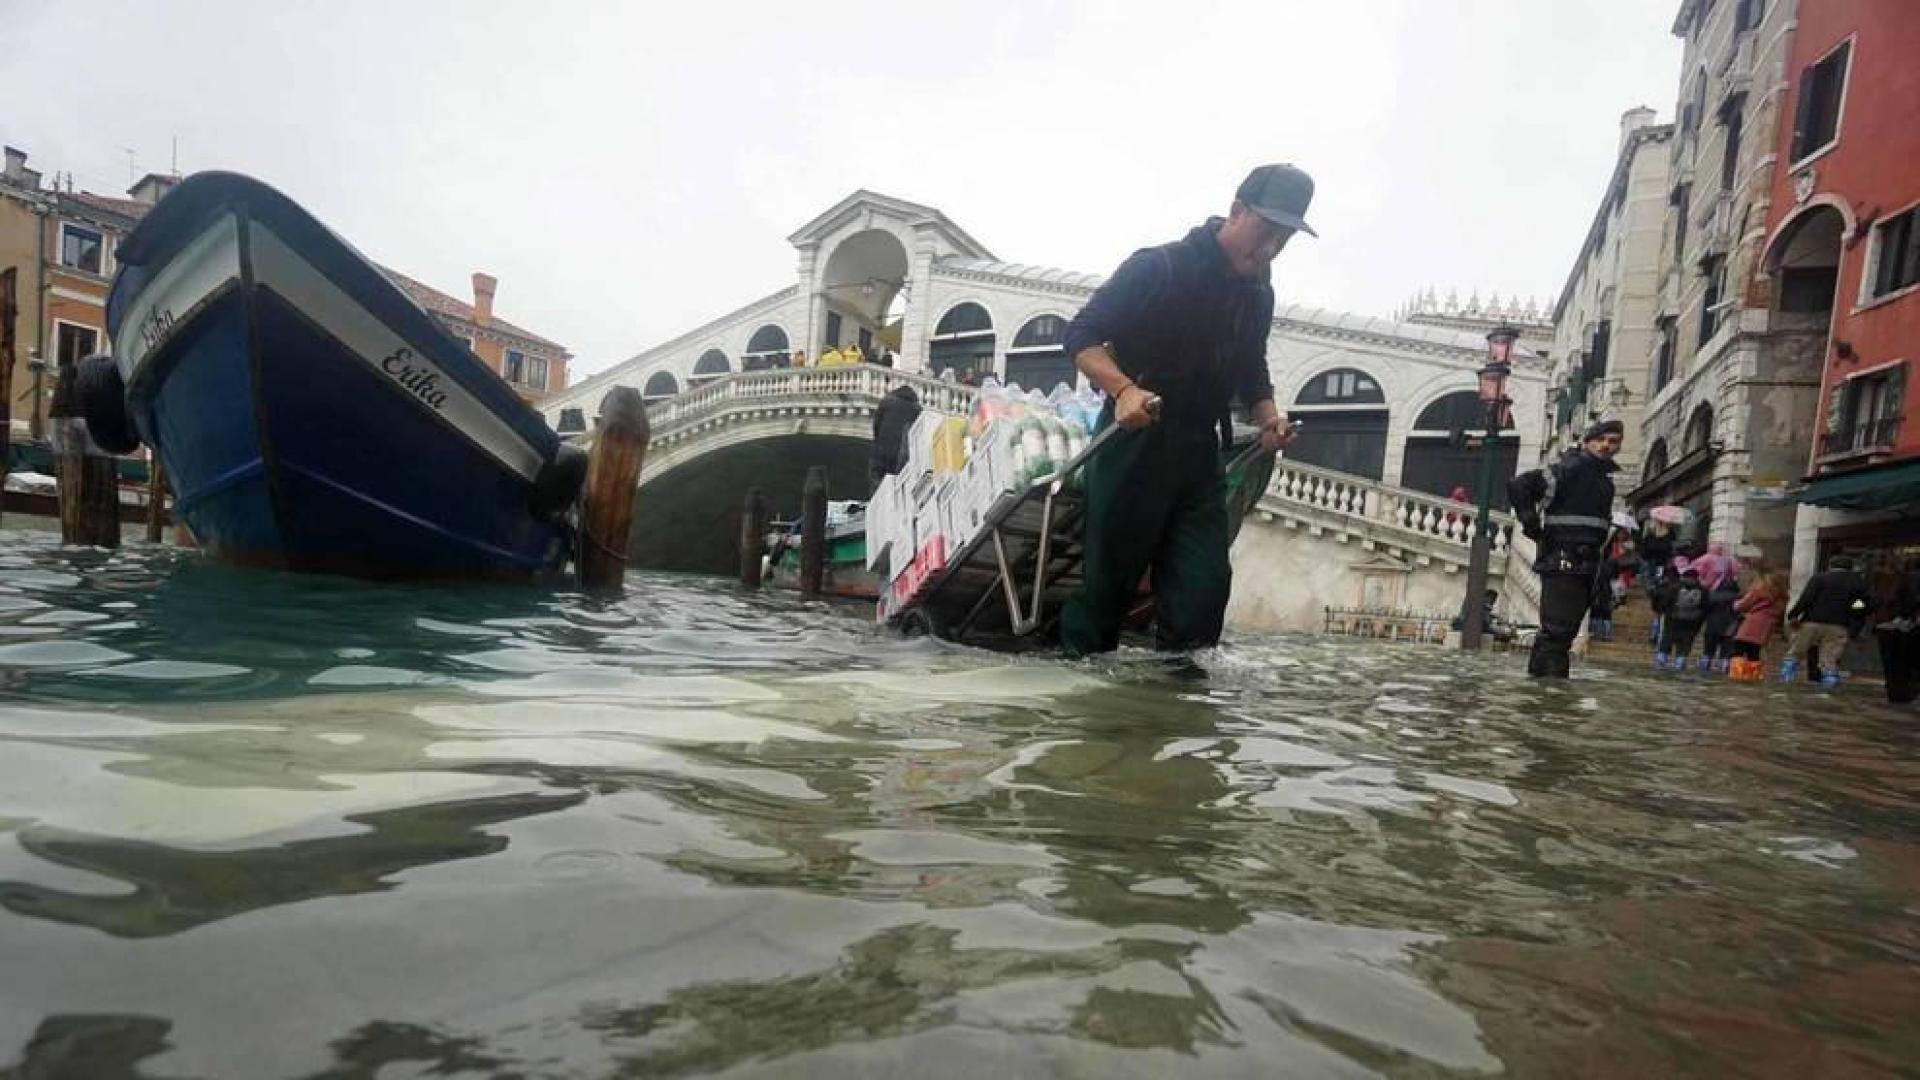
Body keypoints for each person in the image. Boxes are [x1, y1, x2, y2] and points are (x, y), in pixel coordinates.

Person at [1057, 163, 1310, 655]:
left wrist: (1268, 419)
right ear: (1237, 211)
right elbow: (1080, 336)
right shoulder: (1160, 267)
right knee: (1106, 592)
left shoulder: (1259, 293)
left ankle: (1178, 716)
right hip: (1133, 441)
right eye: (1267, 229)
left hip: (1200, 455)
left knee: (1203, 594)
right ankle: (1078, 708)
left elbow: (1251, 368)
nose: (1273, 246)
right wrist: (1123, 389)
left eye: (1286, 237)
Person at [1509, 419, 1623, 677]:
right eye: (1600, 439)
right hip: (1565, 562)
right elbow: (1519, 485)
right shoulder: (1572, 468)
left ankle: (1540, 693)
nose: (1606, 445)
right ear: (1587, 441)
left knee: (1557, 635)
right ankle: (1550, 699)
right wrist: (1531, 525)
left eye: (1613, 441)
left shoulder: (1602, 480)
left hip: (1582, 566)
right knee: (1558, 635)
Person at [1785, 555, 1871, 685]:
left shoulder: (1819, 578)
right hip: (1838, 625)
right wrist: (1854, 627)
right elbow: (1860, 606)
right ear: (1850, 568)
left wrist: (1793, 615)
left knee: (1797, 651)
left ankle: (1786, 679)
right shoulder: (1858, 582)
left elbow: (1807, 598)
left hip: (1812, 622)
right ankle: (1828, 685)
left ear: (1830, 566)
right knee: (1830, 658)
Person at [1875, 559, 1920, 704]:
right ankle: (1908, 692)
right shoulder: (1905, 580)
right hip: (1907, 625)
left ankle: (1896, 694)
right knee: (1910, 662)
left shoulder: (1899, 579)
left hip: (1890, 624)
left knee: (1892, 662)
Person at [1653, 567, 1708, 670]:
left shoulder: (1675, 587)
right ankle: (1680, 664)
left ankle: (1661, 663)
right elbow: (1705, 608)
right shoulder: (1703, 590)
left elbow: (1664, 603)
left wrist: (1664, 612)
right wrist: (1699, 622)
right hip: (1691, 623)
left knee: (1666, 642)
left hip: (1672, 620)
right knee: (1684, 646)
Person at [868, 384, 920, 491]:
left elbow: (876, 427)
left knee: (878, 479)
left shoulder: (886, 402)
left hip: (883, 449)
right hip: (901, 453)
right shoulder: (916, 409)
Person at [1731, 571, 1786, 664]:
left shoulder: (1759, 591)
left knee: (1738, 653)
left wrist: (1735, 604)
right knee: (1754, 655)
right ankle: (1752, 675)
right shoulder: (1782, 598)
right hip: (1766, 628)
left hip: (1751, 625)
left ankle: (1738, 675)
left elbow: (1742, 605)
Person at [1699, 572, 1743, 673]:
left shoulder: (1712, 596)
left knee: (1707, 652)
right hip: (1730, 629)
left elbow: (1704, 610)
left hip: (1711, 627)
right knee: (1726, 653)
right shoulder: (1738, 597)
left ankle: (1703, 670)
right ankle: (1723, 670)